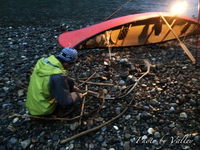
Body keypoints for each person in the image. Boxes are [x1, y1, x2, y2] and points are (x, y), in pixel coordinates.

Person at [26, 47, 83, 116]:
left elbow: (61, 78)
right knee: (67, 99)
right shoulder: (57, 76)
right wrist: (77, 95)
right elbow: (65, 101)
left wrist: (71, 85)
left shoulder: (43, 62)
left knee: (68, 80)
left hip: (33, 103)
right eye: (71, 64)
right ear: (67, 63)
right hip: (42, 108)